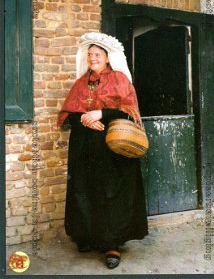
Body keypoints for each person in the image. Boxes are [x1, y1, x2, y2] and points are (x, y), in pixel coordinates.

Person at [58, 32, 148, 269]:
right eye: (90, 55)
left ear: (108, 58)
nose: (93, 58)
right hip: (85, 148)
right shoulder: (80, 83)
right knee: (86, 190)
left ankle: (112, 244)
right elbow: (69, 114)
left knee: (112, 193)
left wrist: (102, 114)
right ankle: (88, 236)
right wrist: (85, 120)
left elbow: (130, 110)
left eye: (97, 55)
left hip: (113, 149)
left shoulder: (120, 80)